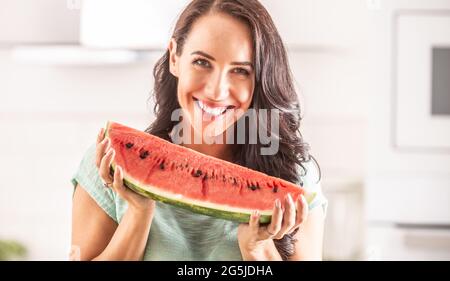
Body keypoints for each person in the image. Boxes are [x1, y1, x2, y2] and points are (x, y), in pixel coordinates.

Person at [71, 0, 327, 261]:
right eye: (202, 63)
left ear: (258, 78)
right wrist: (138, 213)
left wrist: (257, 249)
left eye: (240, 70)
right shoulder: (107, 164)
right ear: (174, 57)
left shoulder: (293, 183)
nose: (216, 91)